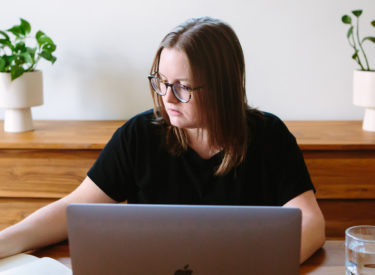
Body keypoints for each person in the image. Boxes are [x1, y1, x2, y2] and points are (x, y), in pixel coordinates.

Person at [0, 16, 325, 263]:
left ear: (221, 88)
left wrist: (256, 267)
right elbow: (71, 207)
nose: (167, 97)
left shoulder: (269, 136)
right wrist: (5, 242)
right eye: (161, 81)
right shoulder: (139, 134)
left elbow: (310, 222)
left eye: (182, 86)